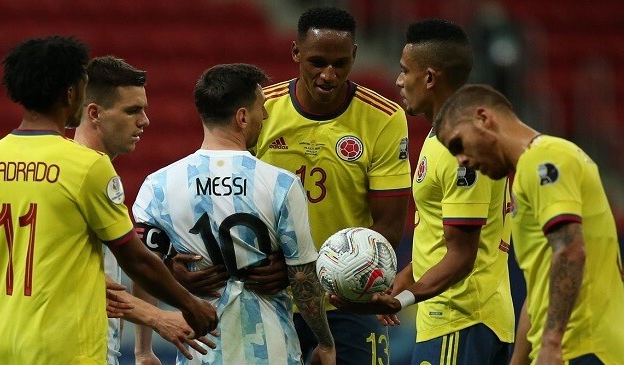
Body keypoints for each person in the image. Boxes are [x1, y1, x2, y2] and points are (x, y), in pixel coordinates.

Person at [0, 35, 217, 364]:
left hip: (6, 344)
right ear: (71, 92)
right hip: (70, 348)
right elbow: (136, 260)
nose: (144, 120)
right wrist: (189, 305)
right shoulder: (84, 167)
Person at [327, 19, 515, 365]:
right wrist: (400, 281)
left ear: (429, 78)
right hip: (461, 319)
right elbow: (441, 241)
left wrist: (402, 300)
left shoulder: (461, 146)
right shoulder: (443, 135)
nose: (398, 81)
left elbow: (461, 255)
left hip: (460, 320)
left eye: (404, 71)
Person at [132, 63, 336, 365]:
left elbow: (144, 268)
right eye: (261, 108)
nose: (265, 116)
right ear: (242, 117)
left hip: (200, 354)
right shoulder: (281, 184)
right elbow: (303, 276)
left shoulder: (158, 185)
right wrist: (325, 342)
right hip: (272, 350)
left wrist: (143, 350)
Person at [253, 7, 412, 364]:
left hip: (346, 299)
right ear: (296, 53)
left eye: (340, 64)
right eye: (317, 62)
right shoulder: (261, 108)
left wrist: (329, 277)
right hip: (272, 296)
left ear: (355, 55)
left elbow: (388, 224)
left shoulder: (384, 118)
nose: (328, 75)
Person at [434, 83, 624, 365]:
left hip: (582, 348)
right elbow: (539, 292)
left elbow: (570, 251)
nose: (461, 160)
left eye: (458, 145)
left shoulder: (544, 158)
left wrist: (551, 343)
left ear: (483, 119)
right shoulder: (529, 173)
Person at [74, 55, 216, 364]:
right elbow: (66, 278)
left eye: (144, 110)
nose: (145, 121)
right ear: (95, 113)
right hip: (75, 351)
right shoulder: (82, 174)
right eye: (132, 110)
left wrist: (141, 349)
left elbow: (113, 269)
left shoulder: (92, 172)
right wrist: (161, 316)